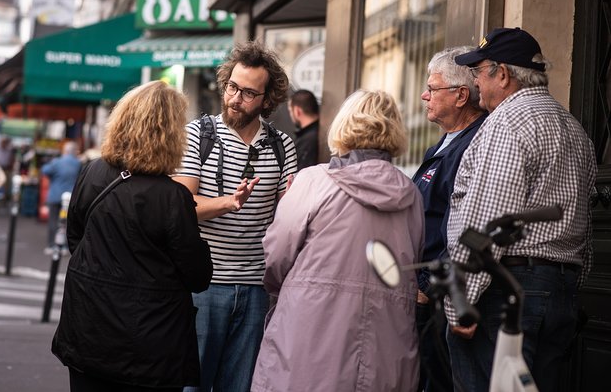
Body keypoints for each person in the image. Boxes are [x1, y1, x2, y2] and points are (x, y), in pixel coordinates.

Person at [445, 27, 596, 392]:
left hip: (508, 292)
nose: (476, 82)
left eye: (479, 71)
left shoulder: (508, 122)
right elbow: (584, 218)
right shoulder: (574, 128)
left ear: (503, 73)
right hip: (559, 290)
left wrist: (459, 300)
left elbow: (487, 218)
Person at [250, 89, 424, 391]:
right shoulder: (410, 194)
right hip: (386, 340)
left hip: (309, 332)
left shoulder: (313, 181)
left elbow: (277, 255)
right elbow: (412, 261)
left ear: (344, 125)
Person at [51, 81, 213, 392]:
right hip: (149, 346)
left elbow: (77, 240)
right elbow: (197, 276)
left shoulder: (92, 173)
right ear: (170, 135)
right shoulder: (173, 197)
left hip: (89, 328)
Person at [173, 41, 297, 392]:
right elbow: (182, 207)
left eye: (248, 93)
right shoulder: (197, 135)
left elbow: (286, 216)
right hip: (203, 285)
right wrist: (230, 202)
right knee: (191, 385)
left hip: (257, 288)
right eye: (232, 87)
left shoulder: (281, 145)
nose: (235, 99)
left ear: (267, 99)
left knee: (240, 387)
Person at [412, 47, 487, 391]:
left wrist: (427, 284)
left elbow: (464, 220)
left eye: (432, 88)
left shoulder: (475, 144)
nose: (424, 95)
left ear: (460, 96)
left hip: (440, 293)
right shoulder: (441, 144)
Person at [41, 141, 81, 254]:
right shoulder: (77, 163)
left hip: (55, 195)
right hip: (70, 197)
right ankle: (64, 247)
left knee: (53, 221)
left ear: (65, 151)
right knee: (67, 223)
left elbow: (45, 170)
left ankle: (51, 245)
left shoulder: (57, 162)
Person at [288, 89, 320, 169]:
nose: (291, 115)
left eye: (290, 111)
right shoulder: (322, 133)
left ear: (297, 111)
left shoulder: (308, 141)